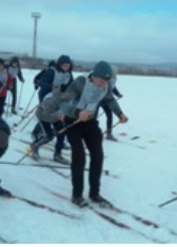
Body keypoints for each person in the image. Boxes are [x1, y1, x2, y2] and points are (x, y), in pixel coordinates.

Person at [62, 61, 128, 208]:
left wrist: (120, 114)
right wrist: (78, 112)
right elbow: (64, 103)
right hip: (73, 122)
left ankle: (94, 194)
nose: (102, 84)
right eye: (100, 80)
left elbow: (110, 99)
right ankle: (77, 195)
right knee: (79, 156)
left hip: (90, 123)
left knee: (97, 156)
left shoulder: (105, 86)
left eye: (106, 81)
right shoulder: (80, 82)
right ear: (94, 75)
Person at [100, 65, 123, 141]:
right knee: (92, 116)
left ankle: (109, 133)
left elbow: (113, 88)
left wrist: (118, 94)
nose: (114, 74)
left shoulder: (114, 78)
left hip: (108, 99)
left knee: (109, 115)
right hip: (100, 99)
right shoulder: (105, 78)